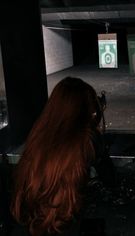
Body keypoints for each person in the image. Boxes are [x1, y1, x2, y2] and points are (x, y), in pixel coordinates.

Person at [10, 77, 105, 236]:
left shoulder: (38, 134)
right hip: (63, 224)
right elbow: (109, 178)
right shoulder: (86, 139)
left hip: (31, 221)